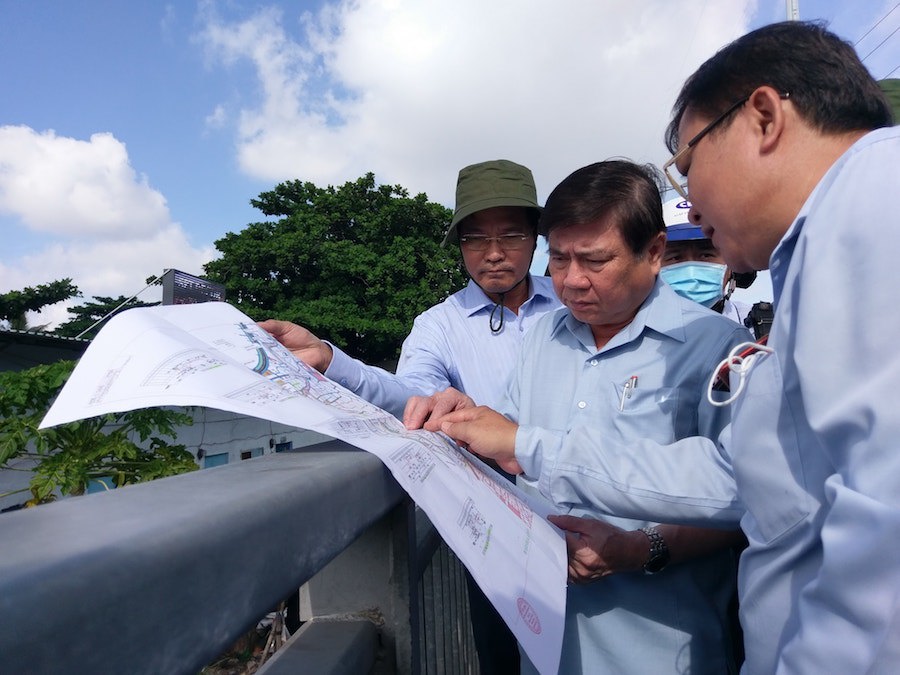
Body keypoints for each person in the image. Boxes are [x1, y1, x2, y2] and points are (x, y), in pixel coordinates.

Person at [426, 22, 900, 673]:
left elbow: (881, 549)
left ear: (763, 117)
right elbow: (742, 476)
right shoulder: (822, 252)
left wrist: (540, 456)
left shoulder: (872, 215)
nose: (692, 203)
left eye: (688, 166)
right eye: (558, 260)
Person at [408, 160, 751, 674]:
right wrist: (470, 419)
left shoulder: (717, 351)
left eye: (593, 261)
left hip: (663, 649)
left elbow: (744, 502)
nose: (570, 282)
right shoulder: (543, 338)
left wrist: (641, 549)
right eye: (560, 258)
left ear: (653, 252)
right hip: (545, 640)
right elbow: (511, 438)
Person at [261, 159, 562, 675]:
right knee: (502, 659)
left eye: (511, 234)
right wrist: (334, 361)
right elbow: (410, 396)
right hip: (496, 531)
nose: (493, 253)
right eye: (475, 238)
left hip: (589, 510)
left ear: (536, 239)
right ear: (460, 245)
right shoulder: (439, 325)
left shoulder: (574, 301)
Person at [659, 195, 754, 325]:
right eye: (675, 257)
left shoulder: (763, 330)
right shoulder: (631, 336)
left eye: (706, 255)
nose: (691, 273)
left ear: (731, 266)